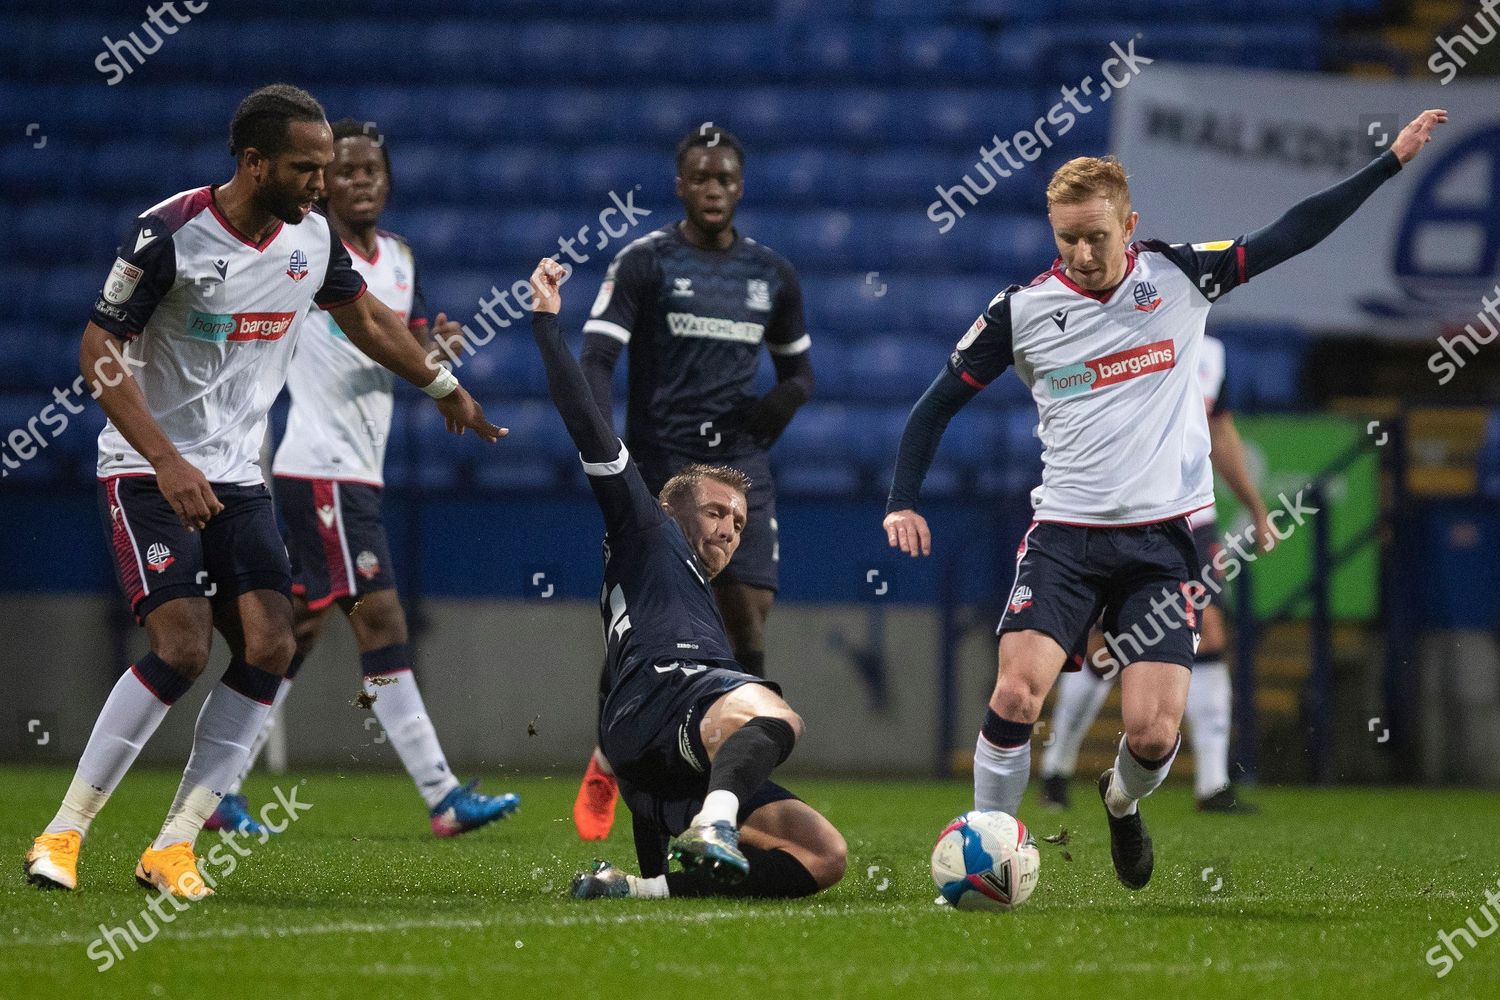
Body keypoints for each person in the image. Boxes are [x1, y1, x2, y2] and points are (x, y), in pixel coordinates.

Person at [884, 110, 1447, 891]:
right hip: (1064, 538)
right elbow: (936, 403)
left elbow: (1293, 233)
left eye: (1097, 237)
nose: (1081, 254)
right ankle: (992, 846)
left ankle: (1121, 803)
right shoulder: (1021, 312)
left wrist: (1388, 162)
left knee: (1151, 734)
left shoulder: (1182, 276)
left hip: (1160, 545)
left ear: (1130, 225)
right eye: (1066, 238)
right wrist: (901, 499)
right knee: (1016, 690)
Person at [23, 84, 503, 899]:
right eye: (306, 167)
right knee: (181, 647)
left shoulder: (310, 241)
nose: (320, 183)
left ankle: (173, 845)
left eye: (325, 168)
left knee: (273, 647)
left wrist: (443, 384)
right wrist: (168, 460)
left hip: (240, 474)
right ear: (253, 163)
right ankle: (65, 831)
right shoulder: (168, 232)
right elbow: (98, 347)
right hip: (146, 469)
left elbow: (372, 323)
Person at [204, 120, 519, 839]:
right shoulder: (308, 247)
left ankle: (220, 789)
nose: (358, 181)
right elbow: (364, 336)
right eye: (343, 170)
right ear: (320, 180)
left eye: (371, 170)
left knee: (296, 630)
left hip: (356, 472)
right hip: (321, 468)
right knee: (382, 621)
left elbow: (392, 342)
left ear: (389, 180)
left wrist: (428, 350)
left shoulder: (400, 258)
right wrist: (424, 363)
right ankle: (442, 797)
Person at [524, 257, 843, 900]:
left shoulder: (686, 600)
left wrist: (639, 835)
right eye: (717, 511)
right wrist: (547, 330)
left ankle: (642, 891)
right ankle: (718, 822)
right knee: (774, 712)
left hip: (657, 740)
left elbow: (618, 695)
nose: (729, 528)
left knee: (823, 855)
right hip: (674, 700)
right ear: (671, 509)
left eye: (739, 521)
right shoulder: (647, 527)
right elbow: (586, 420)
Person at [571, 125, 814, 841]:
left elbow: (800, 371)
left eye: (725, 180)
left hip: (740, 464)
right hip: (664, 464)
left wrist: (784, 401)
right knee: (644, 620)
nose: (713, 190)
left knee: (746, 618)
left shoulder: (772, 273)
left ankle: (733, 775)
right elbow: (594, 360)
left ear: (740, 187)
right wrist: (606, 446)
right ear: (680, 185)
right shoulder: (645, 261)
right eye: (700, 178)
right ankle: (611, 758)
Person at [1038, 335, 1271, 813]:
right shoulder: (1112, 334)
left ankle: (1213, 783)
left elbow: (1219, 434)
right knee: (1108, 648)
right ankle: (1057, 768)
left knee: (1208, 632)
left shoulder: (1209, 351)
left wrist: (1256, 508)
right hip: (1125, 518)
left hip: (1191, 519)